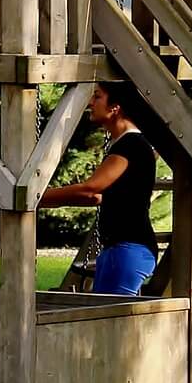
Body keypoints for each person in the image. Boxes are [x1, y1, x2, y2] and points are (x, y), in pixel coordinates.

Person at [38, 81, 158, 295]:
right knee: (104, 319)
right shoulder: (124, 144)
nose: (90, 103)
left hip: (129, 248)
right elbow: (94, 198)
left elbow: (91, 189)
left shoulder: (131, 145)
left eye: (97, 97)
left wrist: (37, 197)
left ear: (115, 107)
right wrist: (47, 201)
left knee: (113, 321)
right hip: (119, 249)